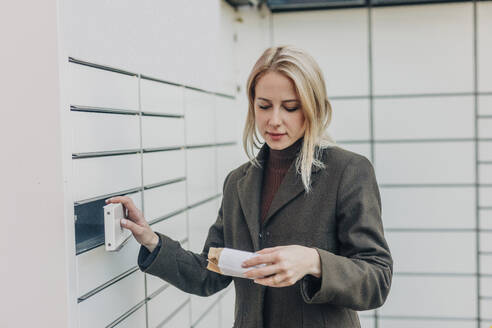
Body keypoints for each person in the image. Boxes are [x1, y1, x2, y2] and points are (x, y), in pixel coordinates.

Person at [105, 45, 393, 328]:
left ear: (313, 108)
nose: (274, 120)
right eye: (264, 106)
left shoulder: (348, 171)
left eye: (290, 107)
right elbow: (210, 272)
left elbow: (377, 278)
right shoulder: (237, 183)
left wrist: (313, 261)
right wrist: (152, 240)